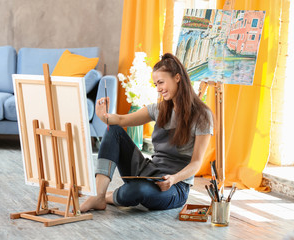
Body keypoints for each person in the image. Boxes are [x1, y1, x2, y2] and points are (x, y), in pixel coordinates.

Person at [80, 53, 213, 212]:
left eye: (161, 82)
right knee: (114, 130)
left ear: (177, 78)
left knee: (135, 191)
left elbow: (196, 162)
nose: (158, 89)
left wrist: (174, 179)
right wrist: (104, 117)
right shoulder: (159, 109)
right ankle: (98, 195)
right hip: (149, 172)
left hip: (175, 186)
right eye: (156, 84)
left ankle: (108, 196)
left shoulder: (202, 115)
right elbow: (121, 120)